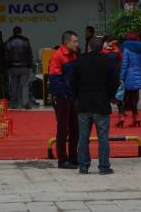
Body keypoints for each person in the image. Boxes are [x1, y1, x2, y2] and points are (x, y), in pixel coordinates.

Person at [71, 36, 119, 175]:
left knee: (83, 137)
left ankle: (83, 166)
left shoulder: (79, 61)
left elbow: (73, 82)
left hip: (83, 103)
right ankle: (104, 166)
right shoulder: (108, 62)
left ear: (89, 47)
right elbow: (114, 82)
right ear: (102, 48)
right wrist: (110, 96)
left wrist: (77, 96)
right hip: (101, 104)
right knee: (103, 137)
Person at [49, 30, 79, 169]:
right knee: (63, 128)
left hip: (72, 96)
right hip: (63, 98)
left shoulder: (74, 54)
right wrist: (64, 95)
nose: (77, 44)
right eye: (74, 41)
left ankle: (73, 157)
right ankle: (62, 159)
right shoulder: (58, 56)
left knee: (75, 128)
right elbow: (55, 79)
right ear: (66, 42)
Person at [120, 31, 141, 127]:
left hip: (128, 76)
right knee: (134, 99)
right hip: (138, 75)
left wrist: (121, 77)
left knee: (122, 97)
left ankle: (121, 116)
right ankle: (136, 117)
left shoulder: (126, 48)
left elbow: (124, 64)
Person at [5, 26, 33, 109]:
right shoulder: (26, 41)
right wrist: (30, 65)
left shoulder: (9, 42)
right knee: (25, 85)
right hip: (24, 67)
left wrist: (8, 66)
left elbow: (6, 56)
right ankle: (25, 103)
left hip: (12, 68)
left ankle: (14, 104)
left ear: (13, 32)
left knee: (14, 86)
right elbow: (29, 54)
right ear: (21, 32)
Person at [101, 35, 124, 127]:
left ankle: (105, 118)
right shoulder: (117, 50)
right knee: (119, 97)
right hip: (116, 76)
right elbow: (121, 60)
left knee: (105, 97)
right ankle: (121, 116)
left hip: (106, 78)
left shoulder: (103, 51)